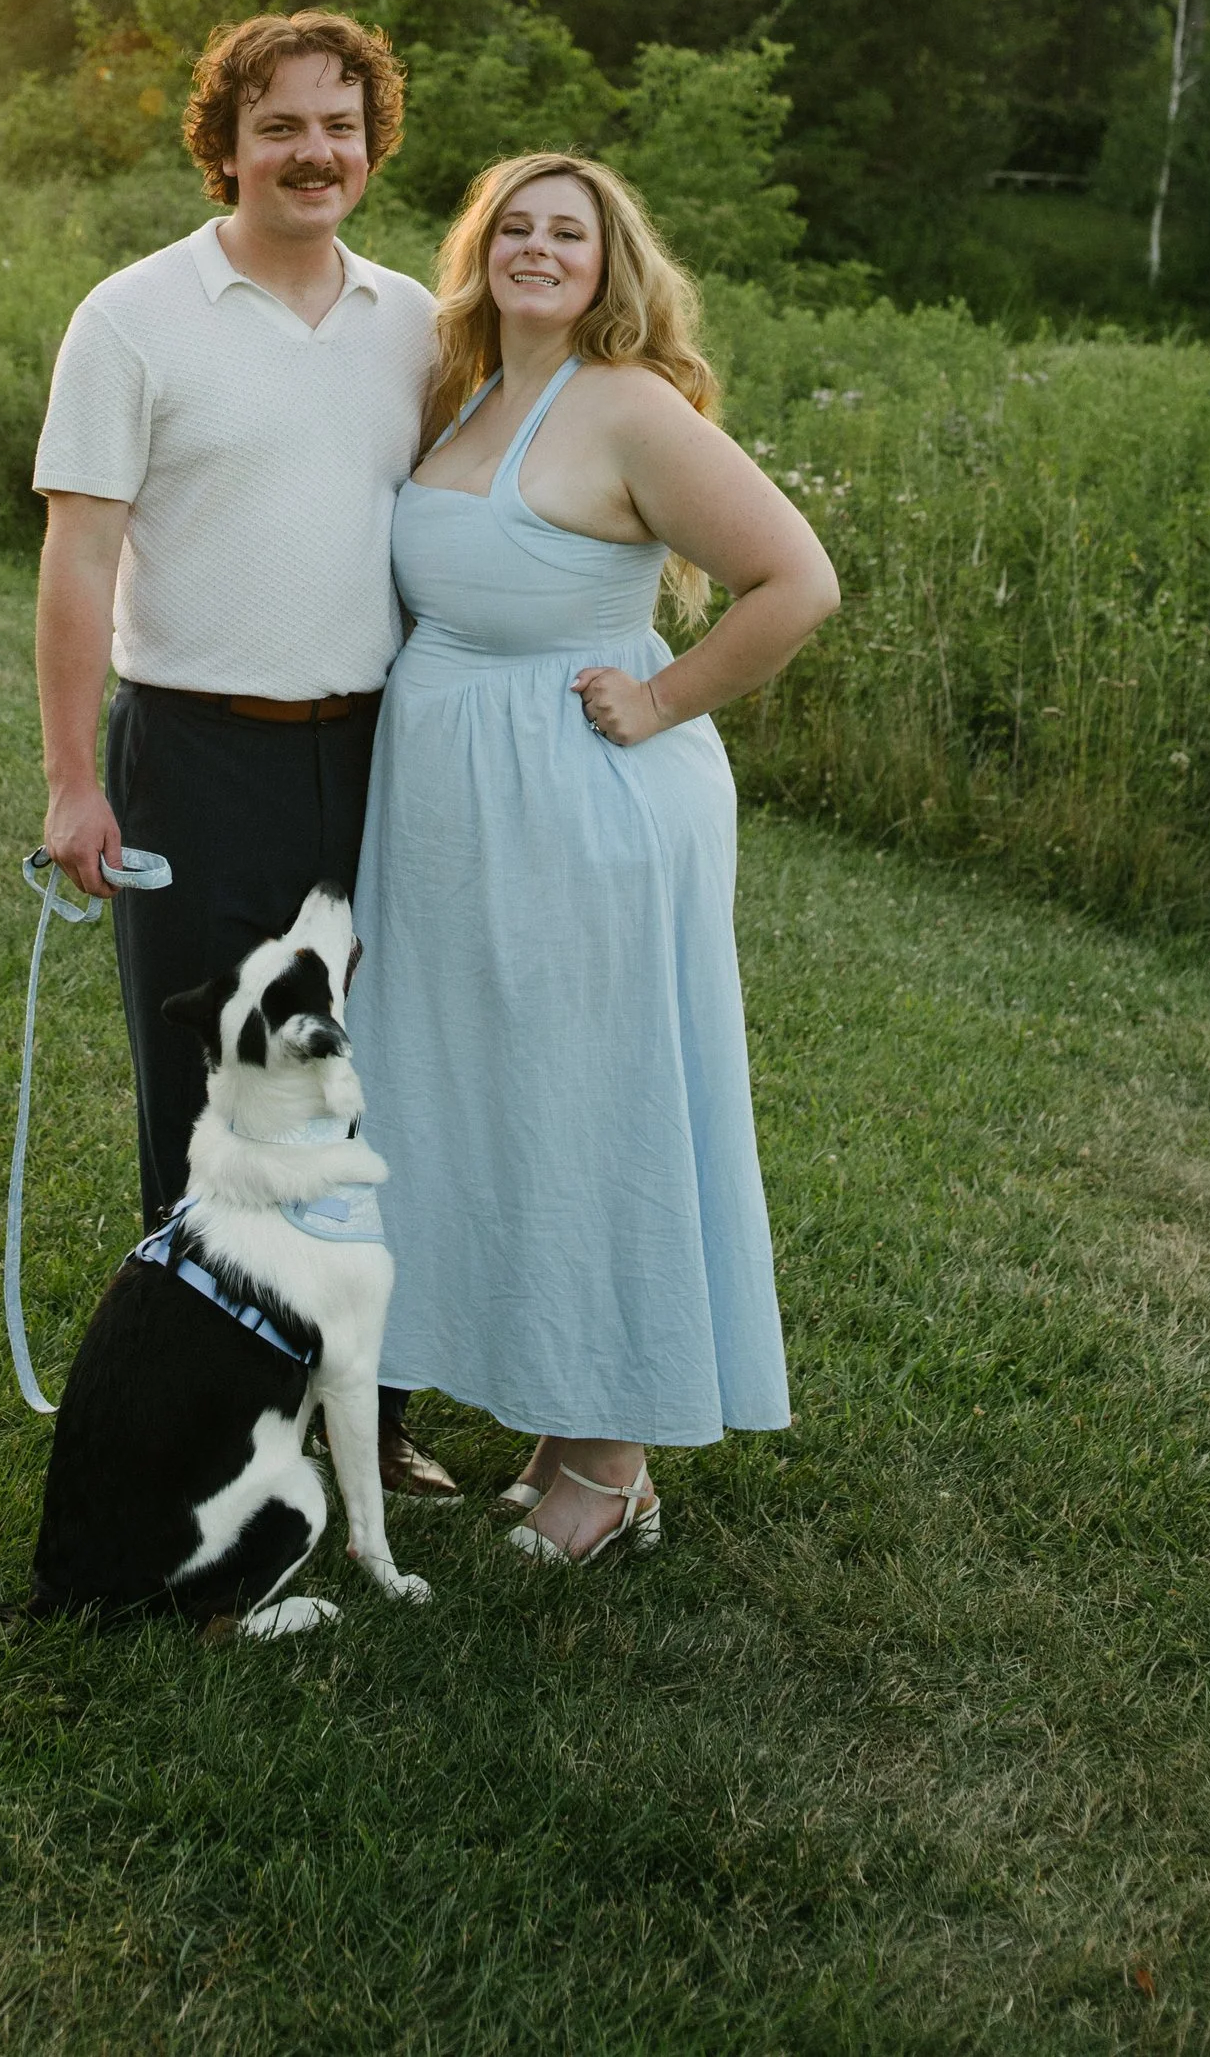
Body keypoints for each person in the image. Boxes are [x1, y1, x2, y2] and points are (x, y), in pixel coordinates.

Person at [347, 152, 840, 1565]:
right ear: (479, 249)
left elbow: (798, 580)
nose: (538, 249)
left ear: (611, 262)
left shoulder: (628, 405)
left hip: (585, 802)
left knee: (593, 1097)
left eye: (569, 232)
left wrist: (665, 695)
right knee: (504, 1095)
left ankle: (615, 1465)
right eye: (515, 226)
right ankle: (563, 1424)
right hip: (460, 811)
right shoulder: (466, 392)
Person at [32, 7, 459, 1501]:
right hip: (194, 756)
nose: (312, 152)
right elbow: (78, 560)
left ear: (373, 144)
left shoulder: (417, 323)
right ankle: (215, 1420)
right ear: (225, 147)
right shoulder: (134, 316)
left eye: (340, 124)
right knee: (213, 1090)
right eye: (279, 125)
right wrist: (73, 779)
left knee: (379, 1080)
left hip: (381, 755)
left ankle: (374, 1410)